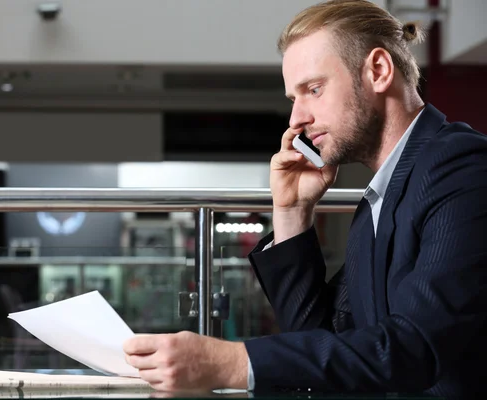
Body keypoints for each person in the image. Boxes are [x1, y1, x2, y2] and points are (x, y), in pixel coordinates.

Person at [123, 0, 487, 396]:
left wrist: (230, 362)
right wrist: (293, 212)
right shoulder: (377, 202)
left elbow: (413, 349)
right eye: (293, 99)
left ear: (378, 71)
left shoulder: (463, 169)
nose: (296, 119)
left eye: (313, 89)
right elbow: (322, 342)